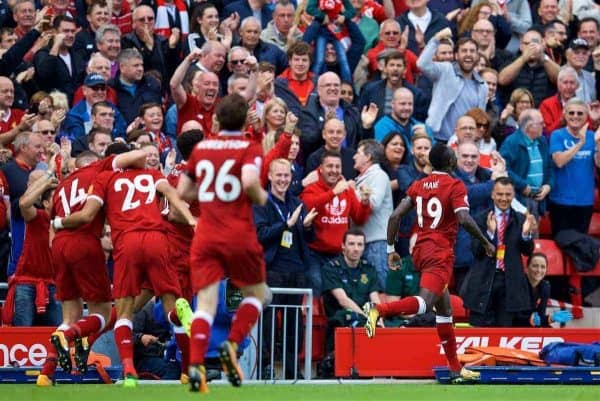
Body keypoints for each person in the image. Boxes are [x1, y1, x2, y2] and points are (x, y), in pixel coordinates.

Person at [51, 143, 195, 387]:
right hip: (161, 244)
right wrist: (193, 220)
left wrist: (58, 223)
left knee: (123, 312)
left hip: (126, 243)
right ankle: (188, 371)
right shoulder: (154, 175)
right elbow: (173, 200)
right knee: (171, 311)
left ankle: (126, 370)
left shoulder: (104, 179)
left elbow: (88, 214)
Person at [362, 143, 495, 383]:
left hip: (420, 250)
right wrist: (485, 241)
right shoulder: (455, 185)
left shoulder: (419, 184)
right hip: (439, 253)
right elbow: (463, 218)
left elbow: (394, 216)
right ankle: (378, 310)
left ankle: (455, 369)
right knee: (424, 303)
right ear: (452, 163)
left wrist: (391, 249)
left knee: (444, 313)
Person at [173, 94, 270, 393]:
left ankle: (197, 366)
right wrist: (261, 198)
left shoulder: (201, 149)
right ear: (244, 121)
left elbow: (183, 190)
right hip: (238, 233)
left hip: (206, 234)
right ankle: (232, 343)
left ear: (218, 119)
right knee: (259, 294)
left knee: (204, 304)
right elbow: (252, 181)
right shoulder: (249, 147)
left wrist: (208, 190)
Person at [36, 147, 148, 386]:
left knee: (70, 314)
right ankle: (67, 336)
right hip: (84, 242)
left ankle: (46, 373)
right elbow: (139, 157)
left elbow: (51, 231)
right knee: (103, 312)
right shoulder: (100, 169)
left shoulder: (63, 186)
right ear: (96, 162)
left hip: (59, 246)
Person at [253, 158, 317, 379]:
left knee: (294, 325)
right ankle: (265, 367)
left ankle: (292, 371)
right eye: (278, 175)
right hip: (272, 272)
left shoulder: (297, 203)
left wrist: (306, 227)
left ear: (291, 177)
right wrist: (286, 225)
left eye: (286, 175)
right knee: (268, 322)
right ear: (270, 176)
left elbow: (309, 239)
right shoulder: (261, 203)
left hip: (297, 273)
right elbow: (259, 235)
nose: (282, 180)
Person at [462, 177, 535, 327]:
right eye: (500, 194)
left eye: (508, 195)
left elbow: (528, 251)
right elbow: (476, 252)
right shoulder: (480, 219)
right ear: (492, 195)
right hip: (483, 281)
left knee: (504, 333)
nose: (504, 198)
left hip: (509, 283)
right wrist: (489, 234)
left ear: (513, 195)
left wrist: (526, 235)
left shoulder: (521, 219)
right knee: (479, 333)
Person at [2, 170, 60, 327]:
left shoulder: (67, 223)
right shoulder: (37, 217)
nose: (60, 201)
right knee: (23, 334)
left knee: (59, 334)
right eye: (56, 198)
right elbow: (23, 203)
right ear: (46, 203)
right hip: (26, 283)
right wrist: (46, 183)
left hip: (55, 284)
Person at [417, 29, 488, 142]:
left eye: (472, 51)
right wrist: (436, 39)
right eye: (464, 51)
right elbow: (422, 64)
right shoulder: (446, 70)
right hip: (438, 138)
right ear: (456, 55)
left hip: (464, 143)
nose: (468, 54)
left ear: (477, 56)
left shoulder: (482, 86)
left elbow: (480, 119)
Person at [321, 228, 381, 355]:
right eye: (351, 244)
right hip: (341, 318)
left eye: (360, 244)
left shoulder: (369, 269)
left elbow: (375, 298)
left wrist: (377, 317)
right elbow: (343, 300)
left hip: (366, 318)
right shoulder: (331, 268)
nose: (356, 249)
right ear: (343, 246)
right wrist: (367, 317)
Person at [548, 98, 600, 235]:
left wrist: (598, 142)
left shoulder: (592, 136)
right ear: (564, 114)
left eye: (580, 113)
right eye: (571, 113)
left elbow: (598, 163)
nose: (575, 116)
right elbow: (559, 161)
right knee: (561, 243)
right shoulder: (557, 135)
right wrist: (580, 143)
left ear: (586, 116)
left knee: (580, 246)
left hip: (584, 200)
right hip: (560, 200)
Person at [353, 139, 393, 289]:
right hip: (366, 242)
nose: (354, 157)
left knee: (380, 288)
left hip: (378, 244)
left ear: (368, 157)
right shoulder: (364, 178)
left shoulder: (379, 176)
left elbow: (373, 203)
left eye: (358, 153)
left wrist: (351, 191)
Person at [500, 109, 554, 218]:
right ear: (529, 126)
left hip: (538, 199)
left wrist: (548, 185)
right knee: (519, 233)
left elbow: (549, 167)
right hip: (518, 199)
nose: (544, 125)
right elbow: (503, 169)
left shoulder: (542, 141)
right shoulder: (511, 142)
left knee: (534, 234)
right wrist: (522, 185)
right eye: (541, 123)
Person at [513, 252, 573, 327]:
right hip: (514, 328)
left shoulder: (545, 287)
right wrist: (530, 319)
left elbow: (540, 318)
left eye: (543, 267)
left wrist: (551, 318)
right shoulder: (517, 286)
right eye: (535, 266)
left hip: (531, 327)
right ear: (527, 268)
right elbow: (514, 318)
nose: (539, 270)